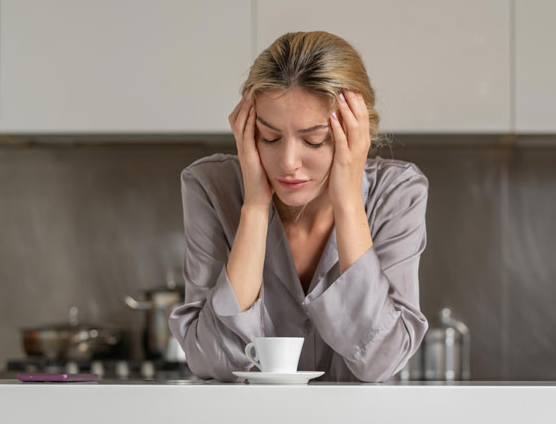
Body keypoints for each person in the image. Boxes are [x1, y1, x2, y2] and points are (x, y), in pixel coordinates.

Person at [168, 31, 429, 382]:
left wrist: (349, 201)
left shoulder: (397, 193)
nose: (288, 161)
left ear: (356, 134)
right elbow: (212, 360)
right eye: (270, 137)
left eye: (314, 140)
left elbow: (380, 361)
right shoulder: (210, 188)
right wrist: (255, 209)